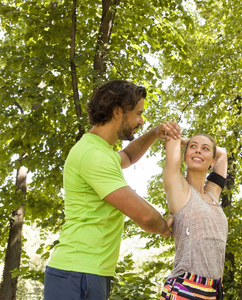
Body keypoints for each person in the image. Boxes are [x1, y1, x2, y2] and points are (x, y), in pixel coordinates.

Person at [44, 79, 181, 300]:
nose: (141, 120)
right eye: (138, 113)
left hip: (85, 273)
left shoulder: (99, 150)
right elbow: (145, 216)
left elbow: (127, 157)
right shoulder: (93, 156)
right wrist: (166, 227)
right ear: (118, 112)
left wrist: (155, 133)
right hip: (78, 273)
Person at [160, 133, 228, 300]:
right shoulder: (179, 188)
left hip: (214, 288)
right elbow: (172, 142)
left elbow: (223, 154)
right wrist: (183, 142)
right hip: (186, 287)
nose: (198, 151)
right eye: (193, 147)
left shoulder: (212, 193)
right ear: (184, 156)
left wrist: (189, 142)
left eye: (205, 149)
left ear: (213, 161)